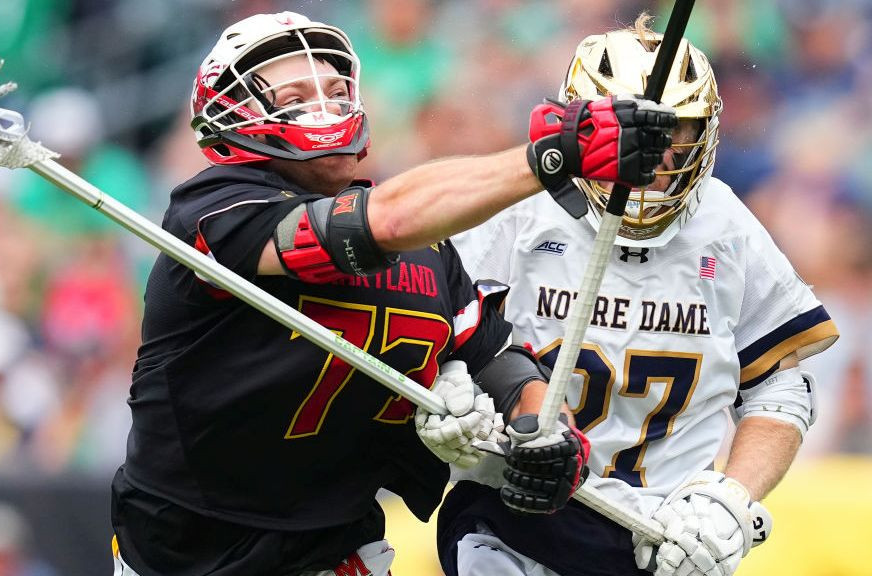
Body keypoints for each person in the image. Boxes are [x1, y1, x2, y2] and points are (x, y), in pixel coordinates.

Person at [108, 10, 676, 576]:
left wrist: (541, 432)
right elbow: (369, 226)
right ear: (233, 112)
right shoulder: (213, 210)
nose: (325, 105)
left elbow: (497, 359)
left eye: (335, 89)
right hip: (182, 548)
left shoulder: (429, 249)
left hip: (335, 550)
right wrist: (553, 156)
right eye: (297, 93)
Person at [440, 14, 840, 576]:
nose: (652, 159)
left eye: (675, 134)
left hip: (666, 543)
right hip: (516, 521)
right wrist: (454, 395)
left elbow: (780, 384)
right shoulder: (517, 214)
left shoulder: (724, 225)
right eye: (625, 132)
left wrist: (731, 498)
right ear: (578, 125)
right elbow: (438, 342)